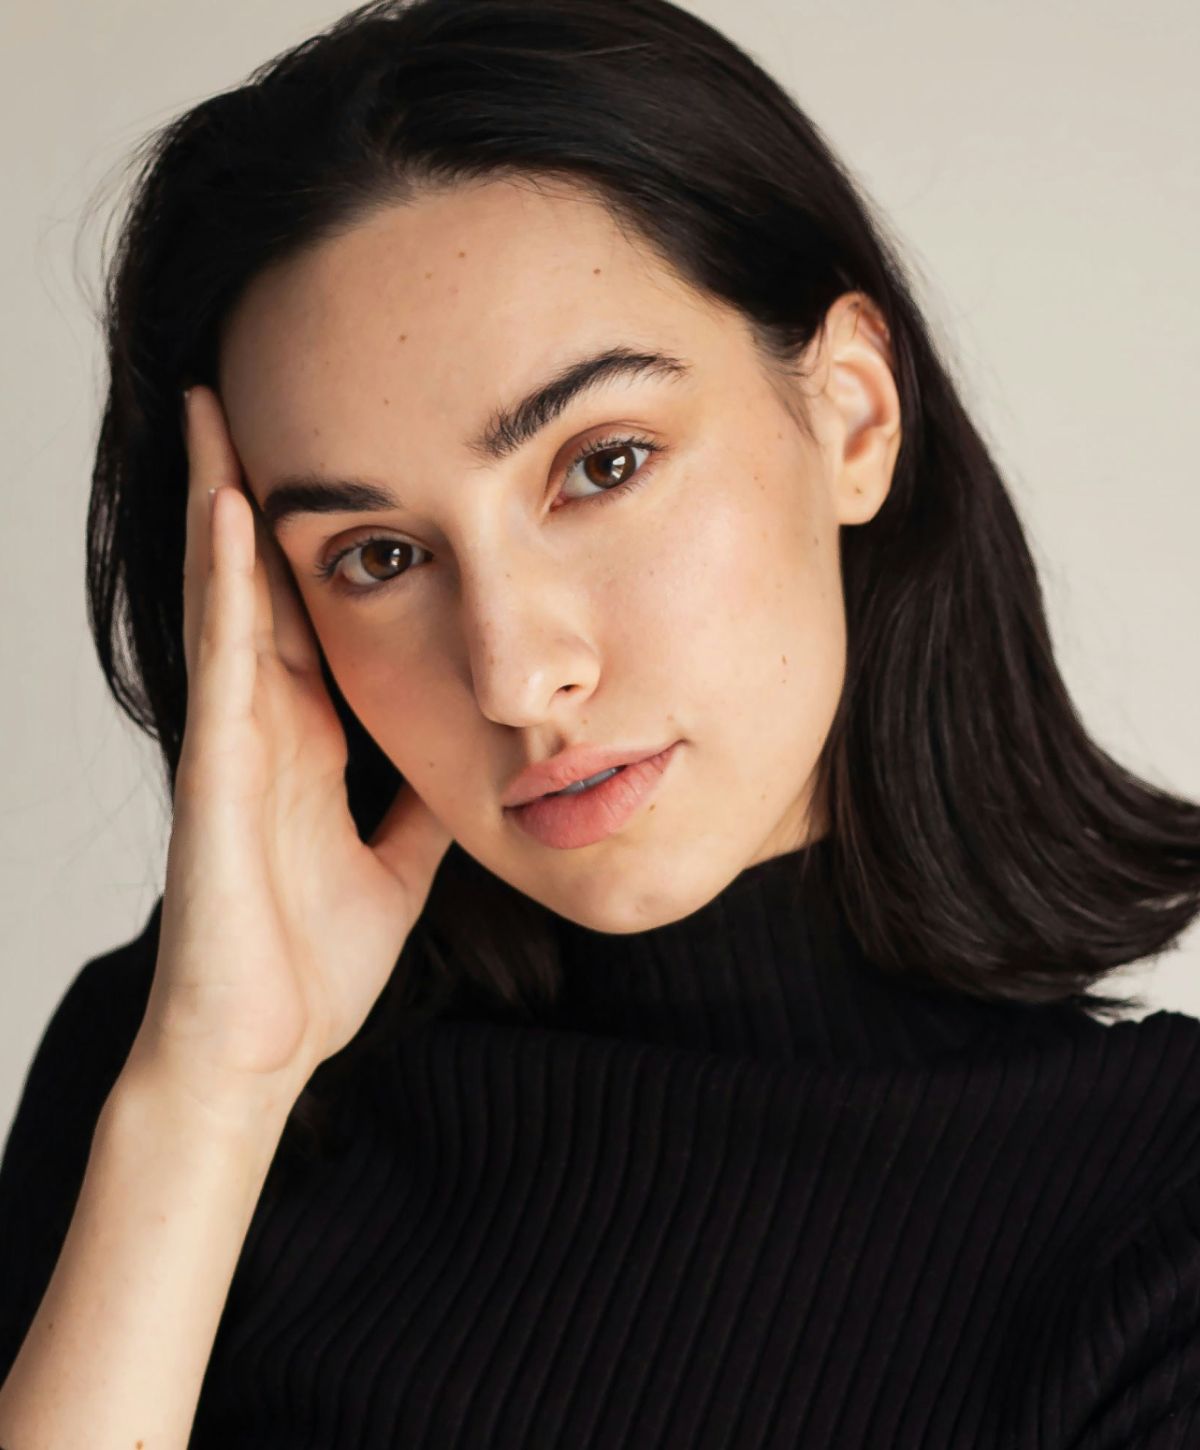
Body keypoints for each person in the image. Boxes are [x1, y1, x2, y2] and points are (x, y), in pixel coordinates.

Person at [2, 0, 1198, 1443]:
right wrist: (210, 1098)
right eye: (377, 556)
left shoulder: (1151, 1217)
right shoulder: (179, 1073)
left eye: (603, 462)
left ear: (854, 417)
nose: (513, 674)